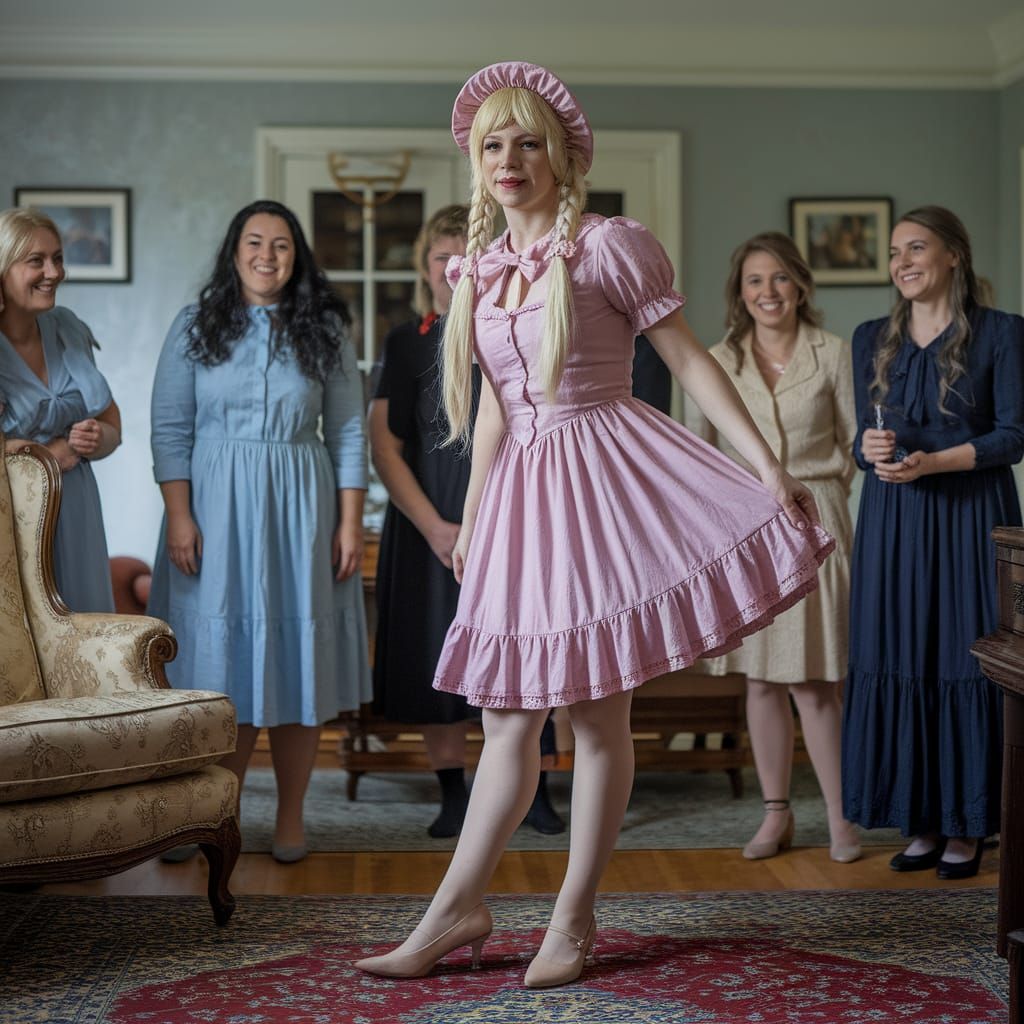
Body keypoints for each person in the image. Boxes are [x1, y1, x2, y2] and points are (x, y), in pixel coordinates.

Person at [354, 62, 833, 987]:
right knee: (505, 717)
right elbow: (495, 409)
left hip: (598, 482)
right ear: (477, 161)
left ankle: (571, 920)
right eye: (493, 143)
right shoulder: (478, 272)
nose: (508, 158)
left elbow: (689, 363)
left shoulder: (611, 246)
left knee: (593, 716)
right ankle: (458, 909)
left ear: (565, 156)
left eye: (528, 140)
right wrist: (474, 520)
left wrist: (766, 467)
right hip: (520, 500)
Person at [148, 199, 370, 864]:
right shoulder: (195, 325)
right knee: (222, 673)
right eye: (254, 242)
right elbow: (170, 430)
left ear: (296, 254)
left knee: (297, 671)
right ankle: (214, 817)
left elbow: (350, 430)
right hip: (213, 509)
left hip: (302, 507)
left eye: (280, 244)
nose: (267, 255)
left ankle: (293, 817)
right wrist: (180, 515)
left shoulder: (325, 329)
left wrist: (351, 524)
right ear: (234, 250)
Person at [371, 204, 564, 839]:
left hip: (518, 513)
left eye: (466, 254)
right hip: (432, 522)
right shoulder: (405, 342)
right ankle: (453, 791)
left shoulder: (518, 326)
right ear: (425, 268)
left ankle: (534, 789)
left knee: (527, 644)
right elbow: (385, 446)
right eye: (440, 257)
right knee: (436, 649)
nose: (455, 269)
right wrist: (435, 528)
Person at [842, 205, 1024, 880]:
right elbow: (865, 441)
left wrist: (932, 462)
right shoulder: (869, 338)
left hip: (971, 516)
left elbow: (1014, 435)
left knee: (962, 656)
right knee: (899, 653)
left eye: (916, 247)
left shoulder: (1002, 334)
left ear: (954, 255)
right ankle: (919, 817)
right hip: (893, 520)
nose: (903, 262)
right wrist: (872, 449)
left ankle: (969, 824)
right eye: (894, 253)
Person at [707, 232, 860, 863]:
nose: (767, 291)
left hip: (818, 519)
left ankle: (841, 818)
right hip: (746, 532)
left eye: (778, 279)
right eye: (754, 281)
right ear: (740, 294)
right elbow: (702, 453)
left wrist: (820, 502)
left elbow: (857, 447)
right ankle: (775, 816)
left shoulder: (835, 353)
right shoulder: (717, 359)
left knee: (817, 682)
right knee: (762, 682)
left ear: (799, 285)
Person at [0, 207, 119, 612]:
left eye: (58, 259)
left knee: (82, 640)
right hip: (14, 521)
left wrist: (96, 439)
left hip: (77, 509)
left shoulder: (68, 327)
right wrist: (51, 454)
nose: (54, 272)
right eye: (36, 261)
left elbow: (111, 424)